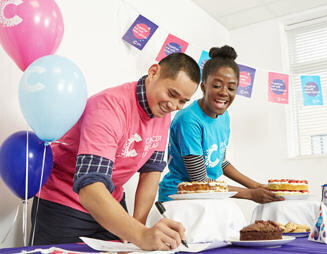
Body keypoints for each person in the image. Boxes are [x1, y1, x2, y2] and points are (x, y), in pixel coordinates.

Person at [30, 53, 200, 251]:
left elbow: (151, 175)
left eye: (183, 101)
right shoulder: (108, 106)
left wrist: (137, 229)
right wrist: (140, 234)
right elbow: (90, 187)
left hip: (112, 202)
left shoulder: (162, 115)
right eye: (171, 94)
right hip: (66, 203)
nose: (173, 106)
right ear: (153, 73)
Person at [158, 46, 282, 204]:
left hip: (208, 195)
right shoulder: (189, 120)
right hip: (179, 198)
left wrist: (257, 186)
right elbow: (200, 180)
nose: (224, 92)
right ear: (203, 86)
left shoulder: (224, 117)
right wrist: (250, 194)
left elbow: (220, 162)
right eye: (217, 85)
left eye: (231, 88)